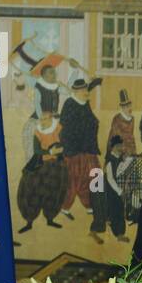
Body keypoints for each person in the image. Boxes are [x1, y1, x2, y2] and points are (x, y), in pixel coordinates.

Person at [16, 110, 67, 233]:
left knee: (54, 191)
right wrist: (50, 152)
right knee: (32, 190)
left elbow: (65, 143)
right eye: (41, 119)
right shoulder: (38, 132)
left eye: (44, 119)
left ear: (50, 119)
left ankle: (50, 219)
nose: (42, 122)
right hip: (40, 164)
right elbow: (37, 150)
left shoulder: (59, 128)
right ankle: (29, 221)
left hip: (56, 166)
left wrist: (59, 149)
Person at [58, 78, 100, 224]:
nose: (86, 92)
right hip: (74, 150)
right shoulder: (69, 104)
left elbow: (90, 121)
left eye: (86, 90)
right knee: (73, 178)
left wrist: (94, 82)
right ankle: (65, 207)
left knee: (96, 174)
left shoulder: (84, 102)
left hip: (88, 148)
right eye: (83, 90)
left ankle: (93, 204)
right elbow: (66, 128)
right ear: (75, 92)